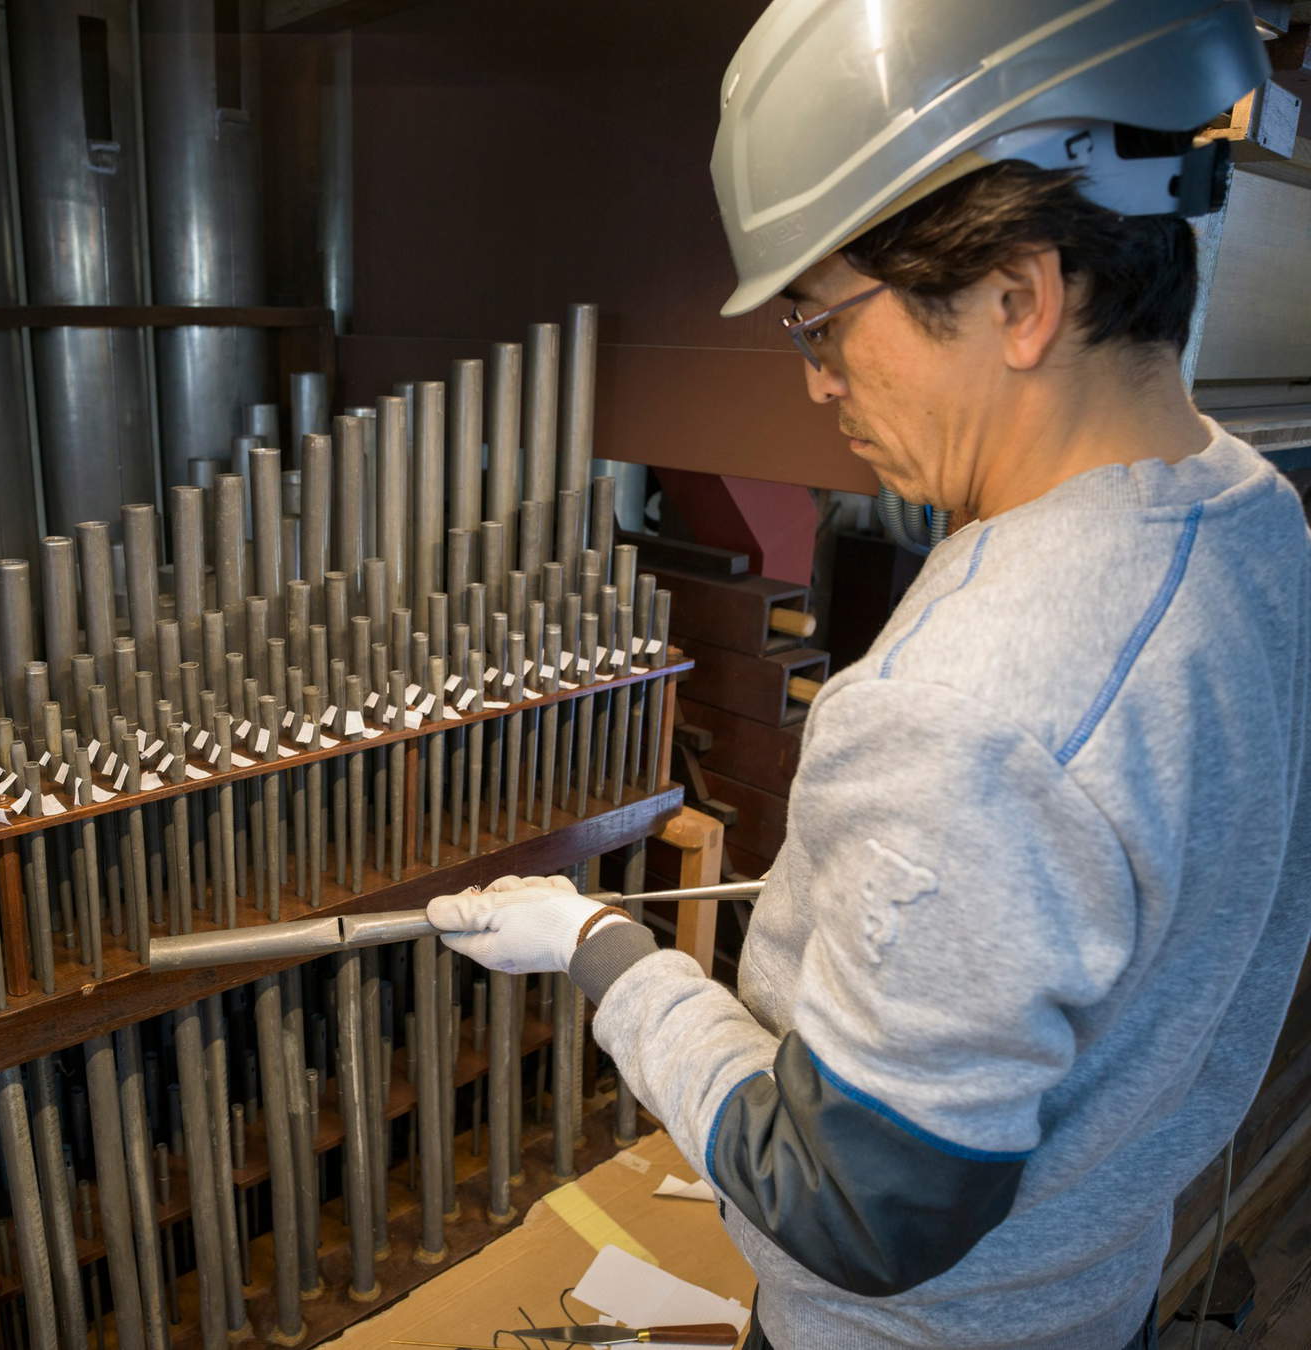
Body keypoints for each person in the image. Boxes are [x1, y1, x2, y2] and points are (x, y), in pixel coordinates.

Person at [426, 3, 1311, 1347]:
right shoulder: (1253, 514)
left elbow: (852, 1209)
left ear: (1019, 298)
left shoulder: (966, 710)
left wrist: (608, 955)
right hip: (1096, 1289)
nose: (817, 382)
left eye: (823, 323)